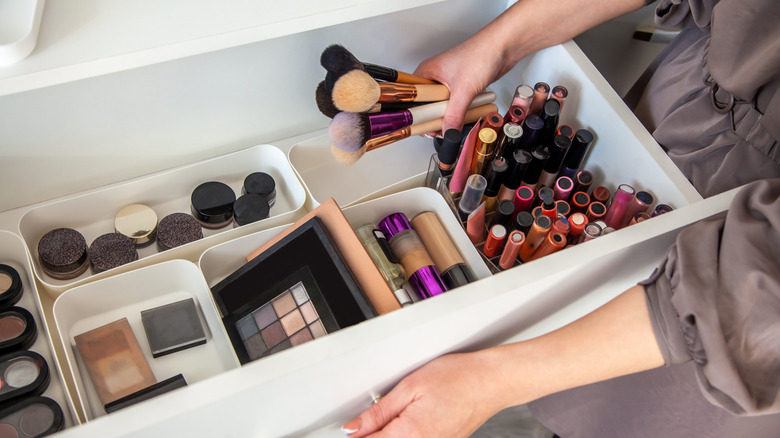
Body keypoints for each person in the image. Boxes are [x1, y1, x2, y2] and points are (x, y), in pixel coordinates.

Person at [341, 0, 780, 436]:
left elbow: (754, 297)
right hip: (682, 94)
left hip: (738, 305)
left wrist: (489, 382)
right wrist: (498, 44)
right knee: (565, 379)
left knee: (643, 414)